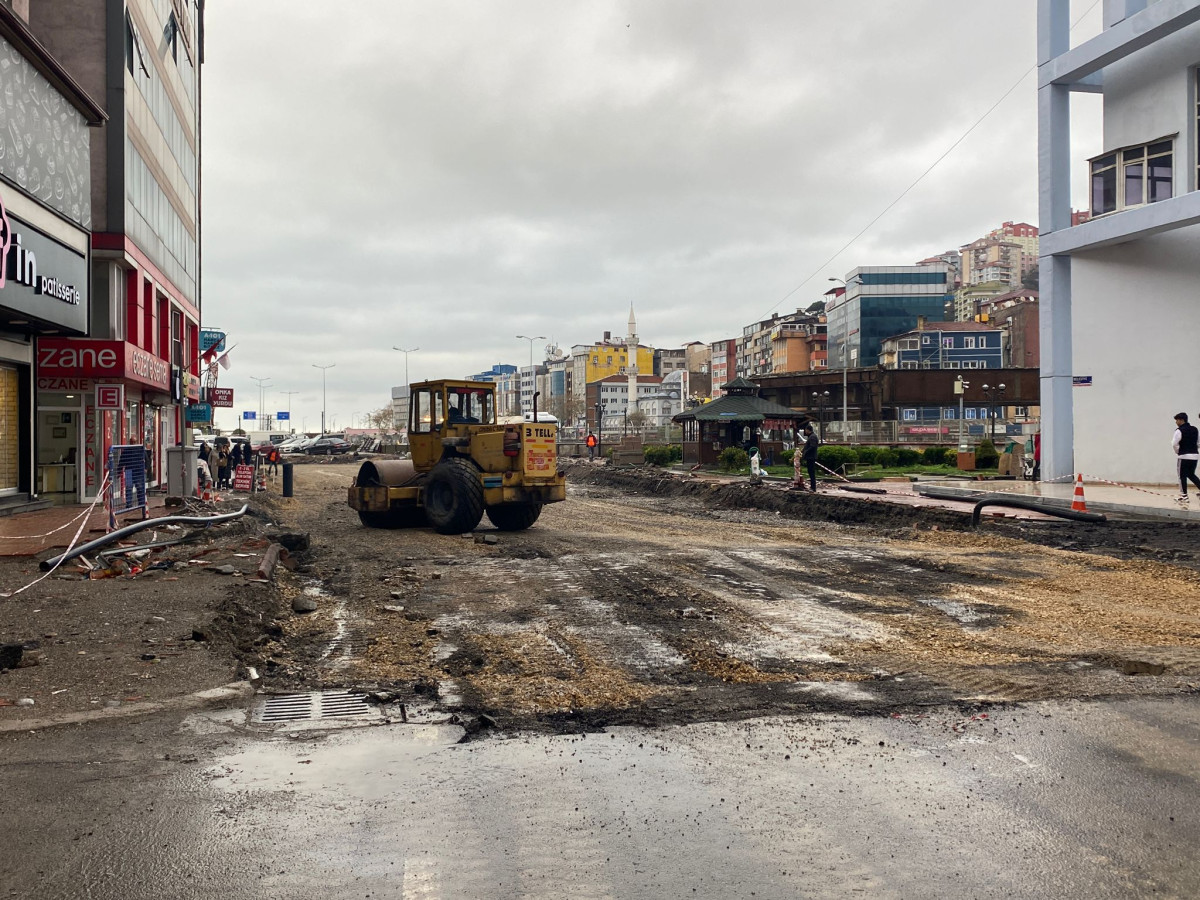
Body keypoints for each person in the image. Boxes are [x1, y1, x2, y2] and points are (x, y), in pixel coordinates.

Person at [1172, 412, 1200, 503]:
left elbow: (1174, 444)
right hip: (1195, 456)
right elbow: (1198, 443)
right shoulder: (1195, 429)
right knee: (1191, 474)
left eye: (1177, 420)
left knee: (1182, 476)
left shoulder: (1179, 430)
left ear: (1181, 420)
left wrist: (1178, 452)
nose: (1176, 422)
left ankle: (1184, 496)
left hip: (1184, 456)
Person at [800, 424, 820, 492]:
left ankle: (813, 487)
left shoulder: (812, 437)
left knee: (811, 472)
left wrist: (805, 451)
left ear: (808, 430)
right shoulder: (811, 436)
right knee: (810, 471)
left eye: (806, 430)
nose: (805, 431)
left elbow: (812, 446)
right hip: (810, 457)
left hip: (811, 457)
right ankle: (812, 486)